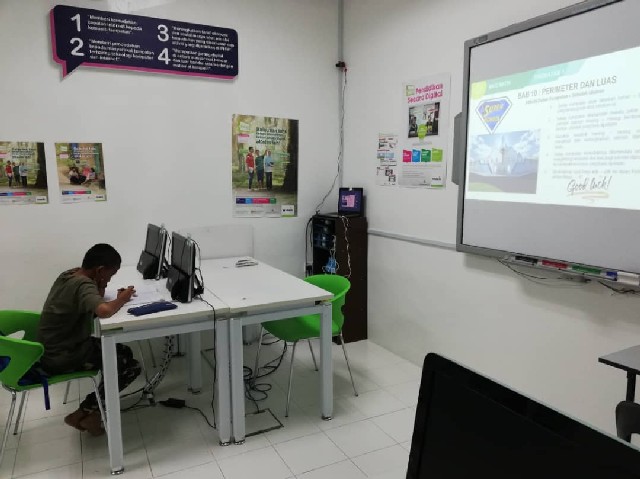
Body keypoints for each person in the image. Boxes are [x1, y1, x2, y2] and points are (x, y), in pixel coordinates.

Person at [37, 244, 141, 436]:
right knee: (131, 367)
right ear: (100, 270)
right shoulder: (83, 285)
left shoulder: (69, 275)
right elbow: (104, 311)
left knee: (123, 353)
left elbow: (95, 299)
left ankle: (92, 411)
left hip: (52, 348)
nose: (111, 279)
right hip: (64, 356)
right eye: (110, 274)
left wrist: (102, 283)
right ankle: (86, 412)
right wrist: (122, 299)